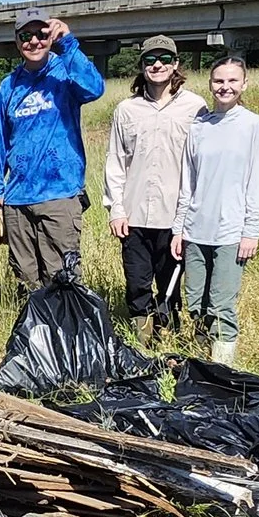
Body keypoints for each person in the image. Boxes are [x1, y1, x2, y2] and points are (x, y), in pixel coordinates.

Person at [0, 8, 105, 289]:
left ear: (50, 37)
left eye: (41, 34)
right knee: (26, 279)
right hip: (17, 197)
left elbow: (95, 89)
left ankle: (67, 319)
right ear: (17, 41)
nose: (34, 41)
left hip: (59, 193)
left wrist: (68, 43)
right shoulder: (8, 86)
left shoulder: (65, 73)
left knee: (62, 277)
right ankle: (33, 320)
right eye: (26, 36)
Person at [104, 34, 205, 339]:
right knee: (137, 281)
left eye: (164, 59)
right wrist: (116, 209)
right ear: (142, 65)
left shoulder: (196, 107)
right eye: (150, 59)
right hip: (134, 214)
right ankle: (143, 336)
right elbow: (116, 162)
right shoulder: (126, 110)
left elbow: (201, 164)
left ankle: (169, 331)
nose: (157, 65)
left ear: (175, 64)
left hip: (175, 215)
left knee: (170, 280)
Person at [173, 57, 259, 365]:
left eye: (232, 81)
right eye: (218, 81)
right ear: (210, 84)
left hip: (231, 232)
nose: (225, 87)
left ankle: (222, 368)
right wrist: (179, 228)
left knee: (221, 306)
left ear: (244, 84)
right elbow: (188, 181)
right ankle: (201, 361)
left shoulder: (254, 126)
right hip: (196, 230)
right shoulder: (198, 127)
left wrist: (251, 230)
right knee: (195, 302)